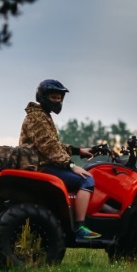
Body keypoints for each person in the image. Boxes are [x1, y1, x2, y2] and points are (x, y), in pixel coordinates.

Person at [19, 79, 99, 241]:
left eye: (59, 98)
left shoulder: (42, 115)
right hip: (41, 165)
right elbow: (49, 147)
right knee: (87, 180)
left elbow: (54, 145)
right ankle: (79, 227)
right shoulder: (37, 117)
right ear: (42, 97)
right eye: (53, 97)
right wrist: (71, 165)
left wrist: (78, 151)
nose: (57, 101)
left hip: (43, 163)